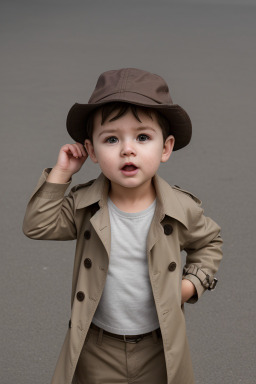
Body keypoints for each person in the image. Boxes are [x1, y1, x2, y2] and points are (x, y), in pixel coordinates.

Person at [23, 68, 223, 384]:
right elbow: (38, 225)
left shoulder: (180, 208)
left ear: (166, 147)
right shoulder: (84, 205)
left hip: (159, 347)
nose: (127, 149)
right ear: (91, 151)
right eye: (112, 138)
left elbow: (210, 242)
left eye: (142, 137)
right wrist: (61, 174)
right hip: (97, 347)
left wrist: (190, 285)